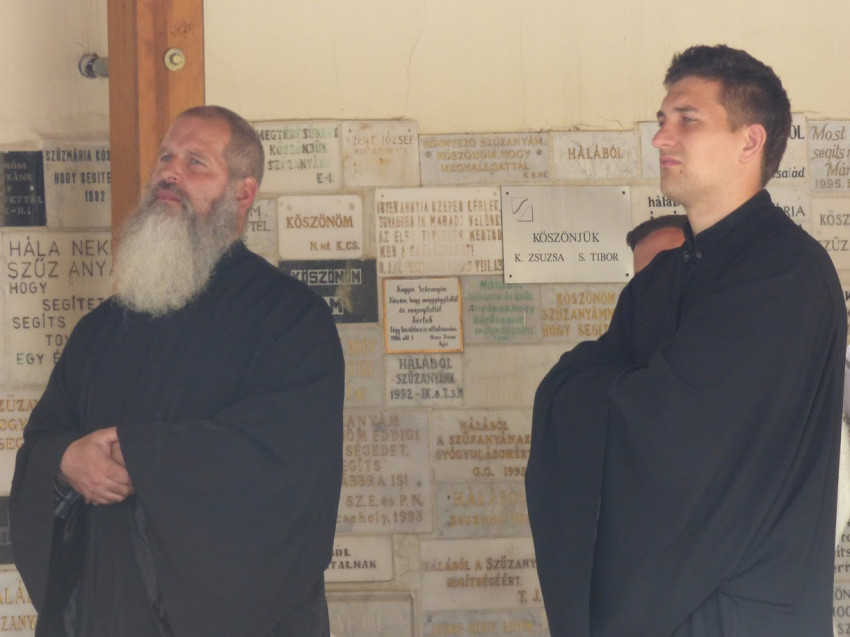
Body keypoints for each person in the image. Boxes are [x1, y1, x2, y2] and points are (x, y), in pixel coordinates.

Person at [526, 45, 845, 637]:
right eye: (661, 119)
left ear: (750, 141)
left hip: (740, 612)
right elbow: (574, 387)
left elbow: (674, 427)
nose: (660, 137)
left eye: (687, 119)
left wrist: (602, 389)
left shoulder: (784, 273)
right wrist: (608, 389)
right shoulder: (666, 277)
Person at [10, 106, 345, 636]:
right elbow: (43, 439)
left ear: (242, 192)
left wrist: (139, 454)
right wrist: (66, 459)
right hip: (106, 608)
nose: (170, 172)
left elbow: (287, 468)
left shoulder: (290, 318)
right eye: (165, 158)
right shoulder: (104, 327)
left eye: (195, 162)